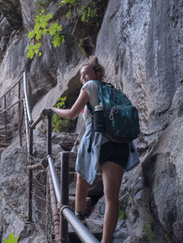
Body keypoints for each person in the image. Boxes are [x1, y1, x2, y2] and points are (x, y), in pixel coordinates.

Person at [41, 56, 140, 243]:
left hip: (98, 143)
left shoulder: (91, 86)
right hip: (120, 144)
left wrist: (52, 110)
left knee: (81, 178)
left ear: (97, 74)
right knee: (111, 198)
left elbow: (71, 114)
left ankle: (79, 217)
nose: (82, 78)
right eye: (81, 75)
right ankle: (105, 241)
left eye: (86, 73)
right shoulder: (111, 90)